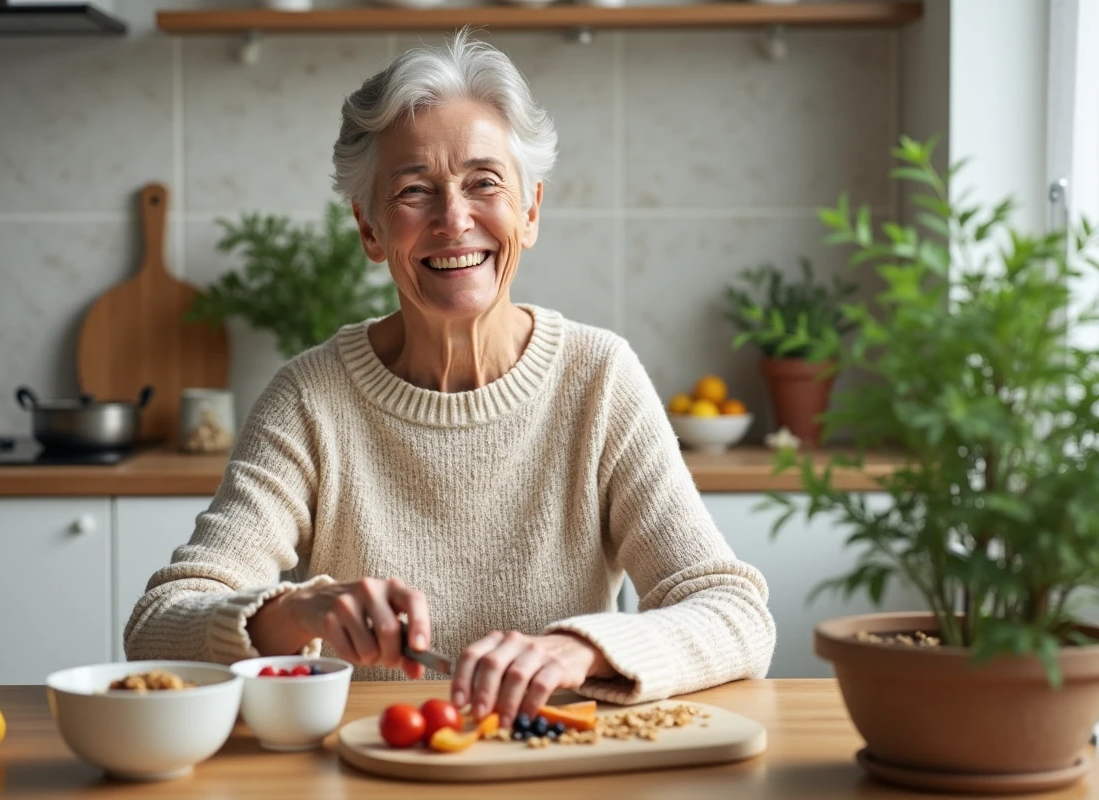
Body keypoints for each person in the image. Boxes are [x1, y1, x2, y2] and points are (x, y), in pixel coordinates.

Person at [125, 29, 775, 730]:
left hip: (558, 765)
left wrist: (578, 649)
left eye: (484, 183)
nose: (454, 219)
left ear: (529, 211)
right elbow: (156, 628)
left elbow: (737, 615)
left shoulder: (599, 378)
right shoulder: (310, 399)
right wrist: (295, 611)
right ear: (370, 230)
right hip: (373, 766)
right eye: (414, 191)